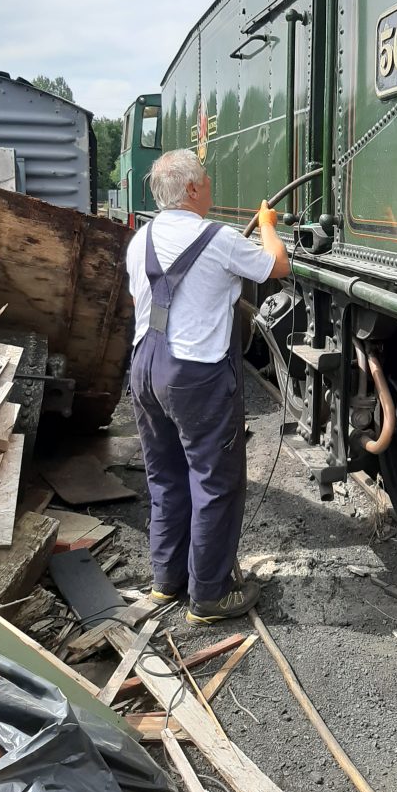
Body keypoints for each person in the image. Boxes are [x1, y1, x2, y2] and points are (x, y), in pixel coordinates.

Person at [126, 148, 289, 624]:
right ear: (193, 190)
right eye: (208, 181)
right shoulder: (217, 239)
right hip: (196, 375)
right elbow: (275, 266)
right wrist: (266, 224)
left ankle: (167, 580)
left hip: (145, 368)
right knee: (215, 483)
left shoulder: (140, 240)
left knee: (165, 475)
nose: (211, 187)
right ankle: (210, 595)